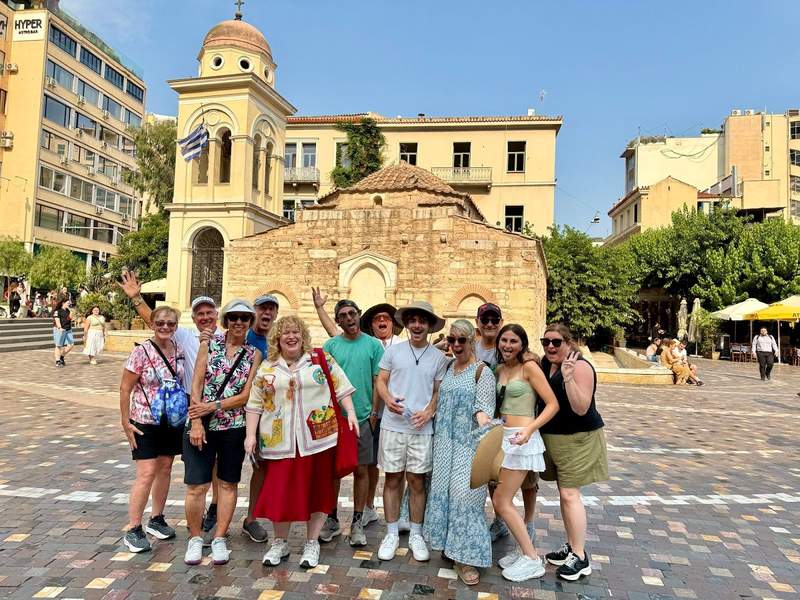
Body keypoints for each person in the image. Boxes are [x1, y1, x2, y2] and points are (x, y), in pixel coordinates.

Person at [119, 272, 233, 544]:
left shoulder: (222, 339)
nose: (205, 317)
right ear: (193, 319)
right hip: (157, 416)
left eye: (209, 312)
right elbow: (155, 320)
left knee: (178, 466)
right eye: (200, 313)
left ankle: (169, 516)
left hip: (182, 416)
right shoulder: (183, 337)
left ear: (216, 314)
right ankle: (134, 527)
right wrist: (136, 297)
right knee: (148, 472)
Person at [246, 316, 359, 569]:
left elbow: (341, 387)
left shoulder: (319, 360)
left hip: (317, 439)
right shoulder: (268, 368)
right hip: (279, 441)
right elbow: (254, 404)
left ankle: (312, 542)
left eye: (295, 332)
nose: (291, 336)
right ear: (278, 338)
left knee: (318, 491)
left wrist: (350, 412)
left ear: (303, 335)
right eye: (285, 333)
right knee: (280, 493)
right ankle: (280, 542)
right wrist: (250, 435)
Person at [183, 299, 261, 566]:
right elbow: (196, 383)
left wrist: (213, 405)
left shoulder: (253, 354)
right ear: (226, 320)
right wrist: (196, 420)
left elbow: (246, 395)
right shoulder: (209, 344)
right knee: (197, 485)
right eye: (234, 317)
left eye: (245, 318)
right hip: (201, 425)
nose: (239, 322)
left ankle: (219, 537)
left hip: (233, 427)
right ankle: (195, 538)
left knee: (227, 483)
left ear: (250, 323)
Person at [424, 319, 496, 585]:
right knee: (443, 494)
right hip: (444, 445)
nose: (456, 345)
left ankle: (467, 559)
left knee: (465, 500)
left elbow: (484, 409)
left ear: (472, 340)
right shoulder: (448, 367)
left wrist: (482, 420)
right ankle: (452, 550)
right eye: (452, 340)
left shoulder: (482, 372)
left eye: (461, 340)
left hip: (469, 446)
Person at [375, 300, 448, 562]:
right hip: (393, 425)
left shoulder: (439, 358)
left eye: (422, 321)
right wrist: (387, 400)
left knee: (417, 481)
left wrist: (429, 411)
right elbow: (381, 381)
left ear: (429, 326)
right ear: (406, 324)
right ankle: (391, 532)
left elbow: (438, 391)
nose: (417, 325)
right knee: (392, 479)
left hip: (421, 428)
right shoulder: (394, 352)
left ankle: (416, 533)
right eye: (413, 321)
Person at [539, 323, 608, 581]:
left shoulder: (580, 366)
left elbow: (581, 407)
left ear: (568, 343)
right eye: (546, 342)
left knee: (570, 494)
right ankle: (571, 544)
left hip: (578, 438)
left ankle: (580, 557)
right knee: (564, 493)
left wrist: (568, 377)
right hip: (555, 439)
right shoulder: (547, 364)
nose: (551, 347)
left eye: (556, 342)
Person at [313, 298, 384, 547]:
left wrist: (375, 413)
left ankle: (357, 521)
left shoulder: (374, 346)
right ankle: (331, 519)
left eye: (352, 313)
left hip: (363, 417)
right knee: (334, 471)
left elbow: (378, 381)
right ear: (338, 320)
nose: (349, 318)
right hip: (335, 419)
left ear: (359, 315)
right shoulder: (331, 345)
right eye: (343, 315)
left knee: (362, 470)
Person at [492, 324, 559, 582]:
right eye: (504, 340)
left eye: (513, 341)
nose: (507, 345)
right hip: (504, 437)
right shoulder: (500, 369)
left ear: (523, 345)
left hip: (523, 440)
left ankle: (532, 558)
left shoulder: (529, 367)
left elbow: (552, 404)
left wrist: (530, 429)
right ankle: (524, 551)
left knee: (501, 501)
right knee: (502, 499)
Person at [118, 306, 185, 553]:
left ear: (176, 326)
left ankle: (156, 518)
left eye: (170, 323)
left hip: (170, 420)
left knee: (165, 467)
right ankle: (134, 528)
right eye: (160, 323)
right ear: (152, 324)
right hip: (144, 419)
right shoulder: (141, 351)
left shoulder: (178, 350)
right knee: (146, 473)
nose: (165, 327)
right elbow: (125, 388)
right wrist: (126, 422)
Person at [359, 302, 404, 529]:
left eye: (386, 317)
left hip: (397, 413)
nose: (382, 321)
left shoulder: (403, 345)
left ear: (393, 323)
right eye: (377, 319)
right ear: (371, 325)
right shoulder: (367, 345)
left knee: (399, 466)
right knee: (370, 462)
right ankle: (368, 507)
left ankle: (401, 512)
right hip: (373, 413)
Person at [53, 296, 74, 367]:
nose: (69, 304)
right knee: (58, 345)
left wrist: (71, 316)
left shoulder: (68, 311)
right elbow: (57, 320)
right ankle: (57, 360)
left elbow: (68, 319)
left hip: (68, 329)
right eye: (67, 303)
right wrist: (60, 327)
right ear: (63, 303)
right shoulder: (57, 311)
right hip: (60, 330)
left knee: (71, 344)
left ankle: (62, 356)